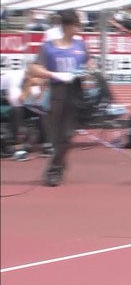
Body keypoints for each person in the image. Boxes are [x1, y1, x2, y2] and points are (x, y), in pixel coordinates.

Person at [29, 10, 89, 187]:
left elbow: (89, 64)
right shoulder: (49, 47)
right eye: (76, 25)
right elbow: (34, 68)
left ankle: (54, 168)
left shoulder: (80, 46)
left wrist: (85, 73)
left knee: (67, 135)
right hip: (56, 94)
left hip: (75, 94)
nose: (78, 29)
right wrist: (54, 74)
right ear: (67, 26)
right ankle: (60, 163)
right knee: (56, 137)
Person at [0, 68, 52, 160]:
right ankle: (18, 149)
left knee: (43, 111)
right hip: (11, 102)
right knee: (16, 111)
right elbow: (16, 102)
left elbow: (37, 103)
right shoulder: (15, 78)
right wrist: (29, 84)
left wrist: (42, 90)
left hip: (19, 102)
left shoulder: (36, 80)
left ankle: (47, 145)